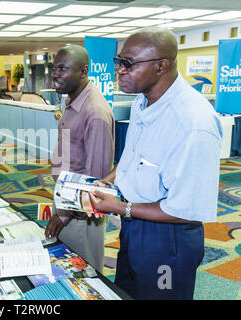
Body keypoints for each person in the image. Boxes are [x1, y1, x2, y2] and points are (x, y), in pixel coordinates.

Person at [88, 27, 223, 300]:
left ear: (161, 66)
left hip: (168, 239)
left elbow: (186, 209)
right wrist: (109, 180)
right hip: (134, 224)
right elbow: (132, 157)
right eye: (119, 62)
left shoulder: (193, 123)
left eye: (128, 64)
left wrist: (119, 207)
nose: (120, 71)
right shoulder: (142, 101)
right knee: (127, 292)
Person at [44, 45, 115, 273]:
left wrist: (64, 213)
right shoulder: (73, 101)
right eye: (54, 68)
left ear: (83, 71)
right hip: (67, 200)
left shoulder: (95, 113)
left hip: (81, 213)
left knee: (85, 274)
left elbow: (96, 184)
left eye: (63, 69)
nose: (55, 74)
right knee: (67, 271)